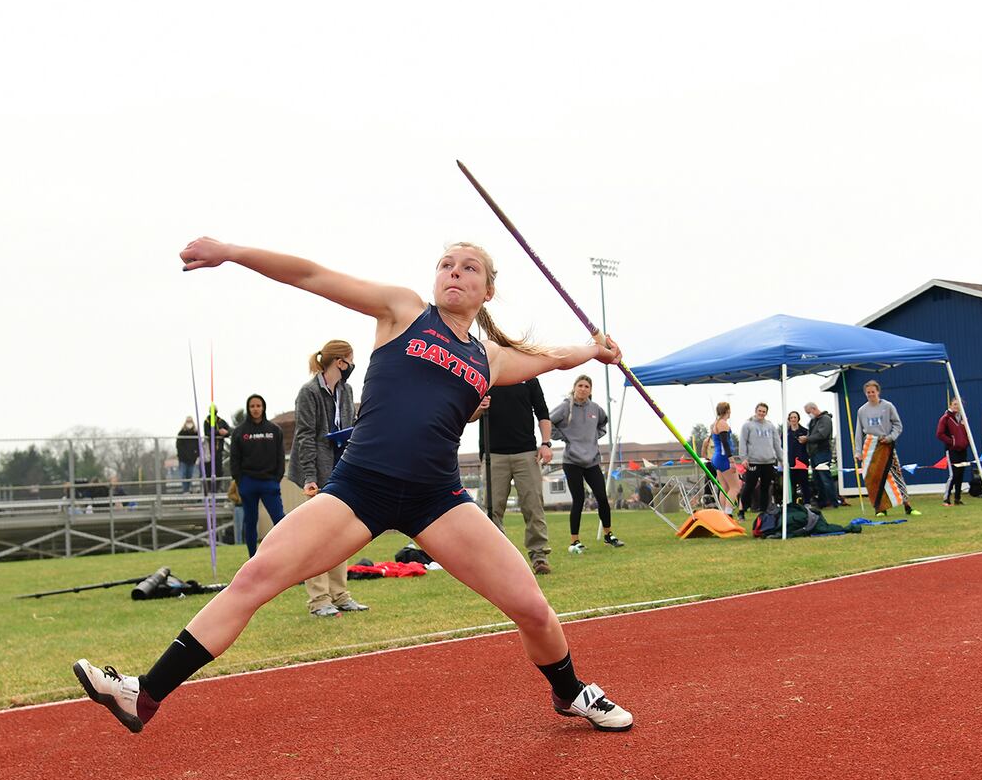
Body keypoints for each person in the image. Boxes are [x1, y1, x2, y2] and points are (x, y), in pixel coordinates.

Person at [73, 238, 634, 735]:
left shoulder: (485, 358)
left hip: (437, 499)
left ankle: (569, 692)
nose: (454, 273)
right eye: (446, 264)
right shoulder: (402, 311)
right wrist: (233, 253)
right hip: (359, 487)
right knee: (255, 577)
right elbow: (313, 276)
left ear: (488, 291)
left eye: (469, 268)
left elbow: (553, 358)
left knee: (532, 609)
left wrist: (596, 350)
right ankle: (141, 695)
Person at [287, 338, 368, 618]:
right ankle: (318, 599)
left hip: (340, 467)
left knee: (339, 533)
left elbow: (349, 426)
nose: (351, 366)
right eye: (349, 360)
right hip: (315, 470)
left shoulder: (345, 390)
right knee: (316, 535)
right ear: (339, 361)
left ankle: (340, 594)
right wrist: (310, 476)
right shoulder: (308, 392)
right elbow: (305, 436)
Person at [482, 377, 555, 575]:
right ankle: (499, 558)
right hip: (493, 455)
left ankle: (539, 556)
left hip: (526, 453)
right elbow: (467, 414)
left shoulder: (529, 377)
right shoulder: (487, 376)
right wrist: (479, 408)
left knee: (533, 506)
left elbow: (542, 412)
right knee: (492, 509)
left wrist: (546, 443)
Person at [551, 375, 623, 553]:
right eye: (580, 385)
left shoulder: (595, 409)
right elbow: (548, 423)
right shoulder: (564, 407)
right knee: (579, 500)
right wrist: (565, 438)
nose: (583, 389)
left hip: (592, 461)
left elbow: (603, 424)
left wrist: (593, 437)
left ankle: (609, 535)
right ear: (574, 387)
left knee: (602, 498)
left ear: (590, 390)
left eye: (587, 386)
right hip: (572, 461)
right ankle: (574, 541)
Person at [228, 394, 286, 557]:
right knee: (251, 522)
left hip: (270, 483)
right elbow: (234, 459)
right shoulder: (239, 432)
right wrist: (240, 482)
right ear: (248, 408)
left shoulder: (274, 431)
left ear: (263, 407)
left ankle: (285, 555)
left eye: (258, 406)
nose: (255, 409)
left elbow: (280, 456)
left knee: (280, 520)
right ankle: (252, 559)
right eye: (252, 406)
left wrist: (277, 478)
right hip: (248, 483)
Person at [854, 379, 917, 516]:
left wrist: (890, 437)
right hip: (870, 447)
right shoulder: (862, 410)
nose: (870, 394)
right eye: (868, 392)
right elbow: (858, 432)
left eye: (873, 392)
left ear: (878, 392)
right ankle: (880, 508)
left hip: (886, 445)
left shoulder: (888, 406)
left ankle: (907, 506)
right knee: (874, 478)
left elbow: (897, 425)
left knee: (896, 475)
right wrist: (858, 452)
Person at [736, 402, 782, 514]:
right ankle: (742, 510)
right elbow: (742, 443)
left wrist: (782, 459)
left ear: (766, 413)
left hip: (768, 461)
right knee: (749, 486)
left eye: (764, 411)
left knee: (765, 488)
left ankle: (763, 512)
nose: (761, 413)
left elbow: (777, 443)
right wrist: (744, 458)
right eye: (760, 411)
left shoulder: (770, 426)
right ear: (756, 411)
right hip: (753, 461)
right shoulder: (747, 425)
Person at [802, 402, 840, 508]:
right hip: (814, 453)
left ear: (814, 409)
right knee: (817, 480)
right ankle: (822, 502)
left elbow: (822, 434)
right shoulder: (813, 421)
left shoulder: (826, 419)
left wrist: (807, 439)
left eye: (809, 412)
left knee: (825, 479)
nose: (809, 415)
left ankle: (833, 502)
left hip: (823, 452)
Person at [936, 397, 971, 505]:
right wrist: (952, 442)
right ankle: (946, 498)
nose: (957, 406)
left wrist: (966, 442)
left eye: (959, 404)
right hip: (952, 450)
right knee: (953, 475)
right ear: (950, 405)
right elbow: (939, 434)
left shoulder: (963, 418)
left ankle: (957, 498)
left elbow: (967, 432)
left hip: (963, 449)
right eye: (955, 404)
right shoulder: (945, 418)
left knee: (960, 474)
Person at [709, 402, 740, 509]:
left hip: (717, 458)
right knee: (735, 487)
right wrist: (731, 460)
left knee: (725, 487)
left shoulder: (716, 423)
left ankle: (723, 513)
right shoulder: (722, 423)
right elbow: (725, 443)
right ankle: (728, 513)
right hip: (723, 458)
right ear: (727, 410)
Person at [202, 408, 232, 490]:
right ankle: (208, 488)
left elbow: (229, 431)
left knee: (219, 470)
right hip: (209, 451)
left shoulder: (221, 421)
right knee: (209, 470)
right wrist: (218, 432)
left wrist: (225, 433)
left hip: (219, 450)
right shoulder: (207, 421)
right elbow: (207, 433)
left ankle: (217, 488)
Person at [785, 410, 810, 505]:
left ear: (798, 419)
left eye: (795, 417)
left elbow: (809, 445)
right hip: (790, 462)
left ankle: (807, 502)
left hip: (802, 461)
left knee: (804, 483)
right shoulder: (786, 432)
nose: (793, 419)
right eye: (791, 418)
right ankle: (793, 503)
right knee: (792, 484)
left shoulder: (805, 431)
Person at [175, 416, 200, 493]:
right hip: (183, 459)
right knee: (183, 475)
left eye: (190, 421)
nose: (189, 423)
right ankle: (185, 490)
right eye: (188, 422)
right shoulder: (181, 433)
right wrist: (181, 455)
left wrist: (196, 455)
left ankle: (188, 489)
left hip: (192, 459)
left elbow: (198, 445)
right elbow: (178, 445)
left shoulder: (195, 433)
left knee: (189, 475)